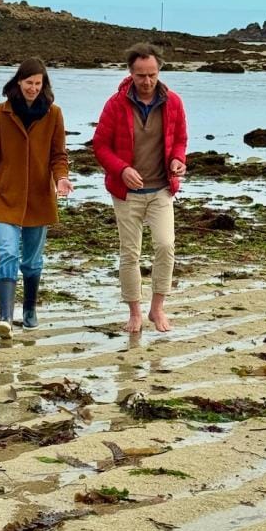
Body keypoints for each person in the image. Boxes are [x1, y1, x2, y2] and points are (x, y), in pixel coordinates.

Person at [0, 58, 73, 339]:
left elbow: (58, 156)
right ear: (18, 82)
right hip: (5, 195)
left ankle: (29, 310)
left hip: (40, 198)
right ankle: (5, 317)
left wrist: (61, 178)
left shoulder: (54, 114)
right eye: (29, 82)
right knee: (7, 253)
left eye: (38, 84)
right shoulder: (1, 112)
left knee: (31, 262)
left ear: (44, 85)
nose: (33, 88)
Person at [93, 42, 187, 333]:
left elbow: (180, 140)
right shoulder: (115, 104)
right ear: (130, 73)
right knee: (130, 253)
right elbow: (100, 146)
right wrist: (122, 169)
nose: (147, 81)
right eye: (141, 75)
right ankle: (134, 312)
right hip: (127, 193)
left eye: (152, 75)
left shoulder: (173, 102)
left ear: (159, 71)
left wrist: (178, 160)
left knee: (165, 246)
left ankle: (157, 309)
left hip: (161, 189)